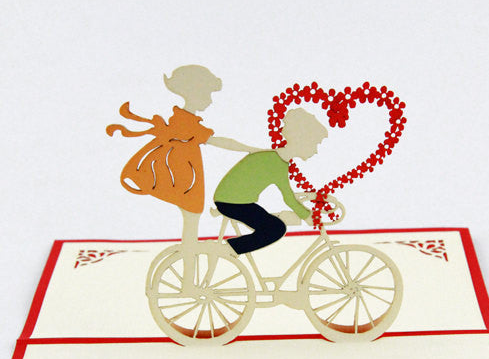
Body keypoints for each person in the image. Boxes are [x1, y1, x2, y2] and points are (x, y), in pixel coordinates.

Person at [107, 65, 260, 289]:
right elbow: (219, 142)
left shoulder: (185, 119)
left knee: (191, 223)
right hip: (183, 182)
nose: (210, 100)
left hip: (185, 178)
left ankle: (189, 277)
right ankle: (189, 282)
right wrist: (251, 149)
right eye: (207, 94)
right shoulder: (186, 122)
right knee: (191, 223)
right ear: (195, 93)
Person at [214, 108, 328, 254]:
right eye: (315, 144)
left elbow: (288, 194)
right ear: (302, 141)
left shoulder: (276, 160)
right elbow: (288, 197)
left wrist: (306, 203)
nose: (316, 150)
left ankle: (231, 248)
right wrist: (306, 216)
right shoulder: (276, 162)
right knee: (276, 228)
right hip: (232, 202)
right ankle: (229, 249)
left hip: (234, 201)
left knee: (275, 222)